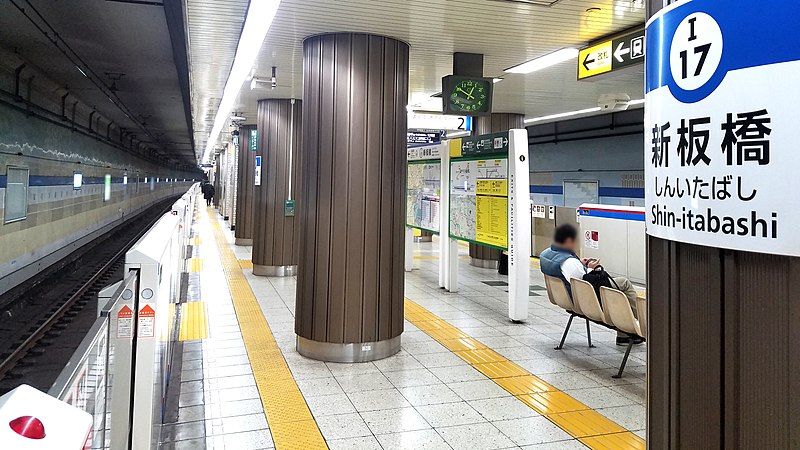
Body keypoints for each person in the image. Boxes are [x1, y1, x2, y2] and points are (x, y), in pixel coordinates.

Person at [540, 224, 643, 345]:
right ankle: (644, 324)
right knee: (624, 284)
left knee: (617, 292)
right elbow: (584, 285)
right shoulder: (569, 262)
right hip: (583, 302)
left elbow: (572, 275)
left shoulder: (545, 254)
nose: (577, 244)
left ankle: (624, 334)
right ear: (568, 241)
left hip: (565, 299)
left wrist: (581, 265)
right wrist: (589, 268)